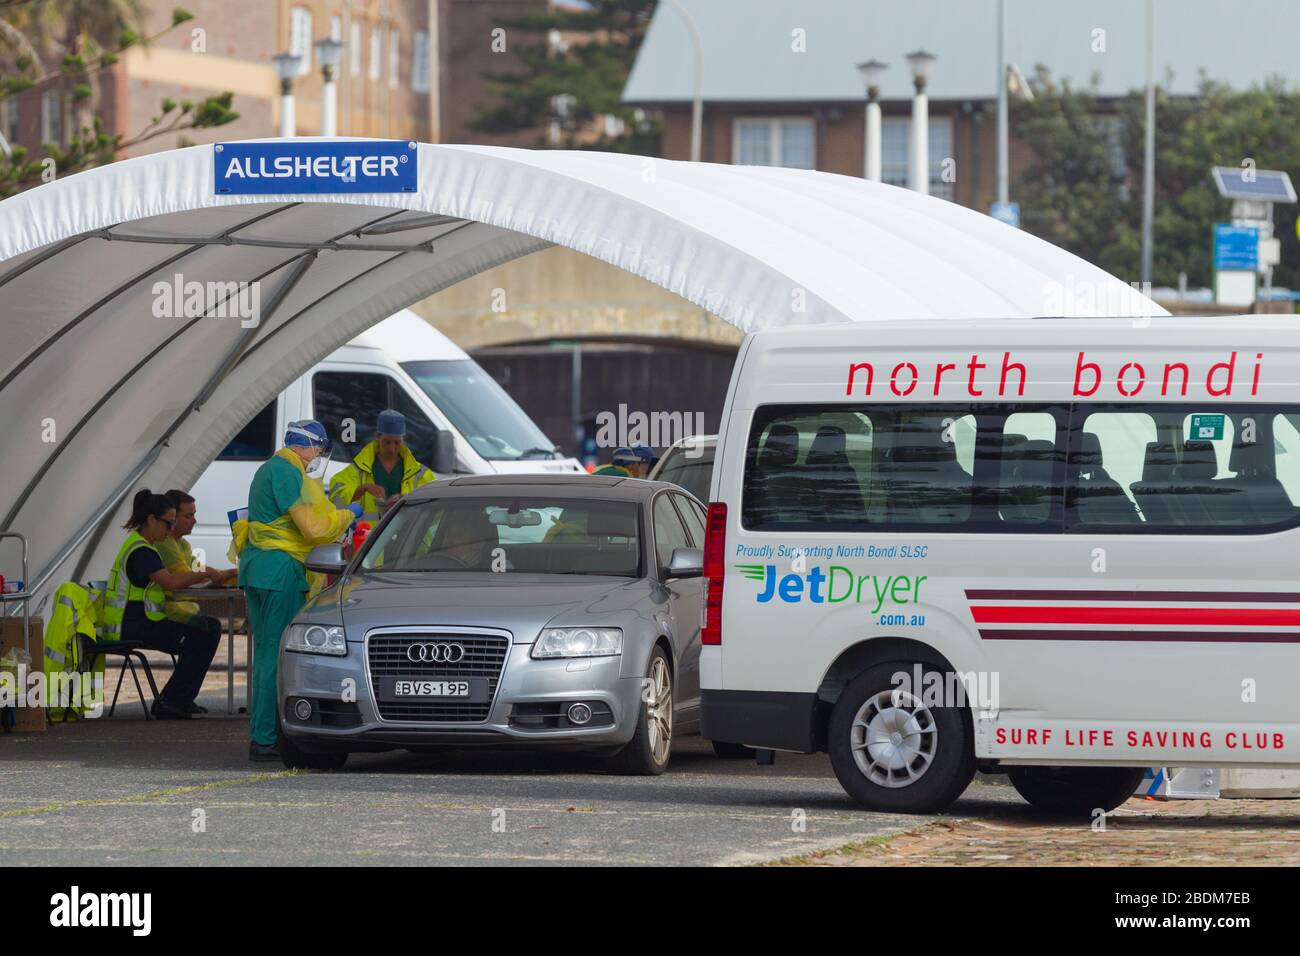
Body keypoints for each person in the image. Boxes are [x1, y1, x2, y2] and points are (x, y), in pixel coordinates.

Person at [236, 421, 359, 761]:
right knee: (277, 657)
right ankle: (267, 739)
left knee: (264, 655)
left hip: (260, 569)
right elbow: (313, 528)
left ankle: (263, 736)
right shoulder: (287, 471)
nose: (318, 457)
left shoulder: (270, 469)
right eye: (319, 449)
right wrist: (349, 514)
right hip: (280, 571)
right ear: (307, 445)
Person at [102, 490, 222, 719]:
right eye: (169, 523)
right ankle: (172, 701)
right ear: (151, 520)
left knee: (204, 630)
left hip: (141, 622)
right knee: (203, 634)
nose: (170, 530)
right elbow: (170, 582)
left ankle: (179, 699)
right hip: (133, 625)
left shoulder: (143, 546)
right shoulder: (142, 551)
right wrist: (202, 574)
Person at [329, 409, 436, 520]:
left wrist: (408, 499)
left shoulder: (420, 473)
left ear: (403, 440)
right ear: (378, 437)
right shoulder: (360, 468)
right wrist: (363, 488)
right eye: (387, 442)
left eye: (397, 442)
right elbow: (335, 496)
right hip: (369, 535)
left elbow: (434, 504)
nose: (392, 448)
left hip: (406, 535)